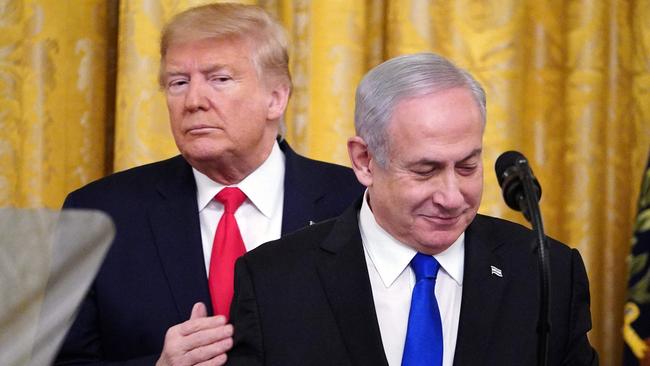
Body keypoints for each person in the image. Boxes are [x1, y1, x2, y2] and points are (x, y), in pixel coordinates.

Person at [227, 53, 599, 366]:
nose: (452, 197)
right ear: (364, 161)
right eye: (426, 171)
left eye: (468, 166)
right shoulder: (272, 282)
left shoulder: (547, 272)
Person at [54, 3, 363, 366]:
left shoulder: (356, 204)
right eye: (178, 83)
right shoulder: (99, 213)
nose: (194, 101)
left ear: (276, 98)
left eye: (219, 79)